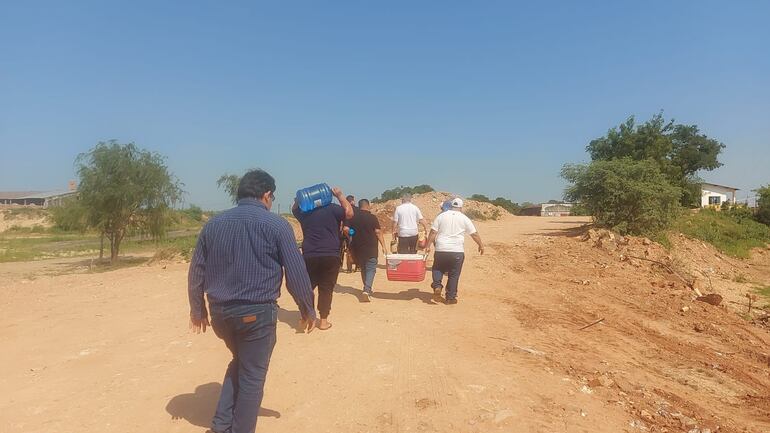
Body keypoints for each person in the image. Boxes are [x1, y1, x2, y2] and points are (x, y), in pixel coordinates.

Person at [187, 169, 316, 433]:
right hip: (256, 315)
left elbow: (196, 269)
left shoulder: (213, 224)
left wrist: (197, 310)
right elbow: (296, 272)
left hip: (221, 315)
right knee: (253, 378)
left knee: (241, 363)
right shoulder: (276, 225)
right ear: (267, 195)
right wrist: (307, 308)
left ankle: (221, 425)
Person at [292, 186, 354, 330]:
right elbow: (349, 213)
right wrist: (340, 195)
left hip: (309, 254)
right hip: (330, 254)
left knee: (307, 287)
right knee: (326, 288)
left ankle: (305, 315)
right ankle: (324, 321)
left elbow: (294, 208)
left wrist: (298, 199)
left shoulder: (304, 211)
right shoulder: (333, 208)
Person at [424, 198, 484, 305]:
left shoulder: (441, 216)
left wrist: (428, 245)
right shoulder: (464, 218)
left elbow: (433, 232)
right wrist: (480, 245)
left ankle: (437, 285)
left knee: (437, 268)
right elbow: (474, 234)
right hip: (457, 251)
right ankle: (450, 298)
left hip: (441, 249)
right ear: (461, 207)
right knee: (454, 274)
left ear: (451, 205)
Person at [347, 198, 388, 301]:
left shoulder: (353, 218)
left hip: (358, 247)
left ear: (360, 206)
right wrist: (383, 246)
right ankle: (367, 289)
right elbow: (378, 232)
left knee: (364, 268)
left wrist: (351, 236)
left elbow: (345, 229)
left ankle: (366, 287)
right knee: (371, 268)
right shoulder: (372, 217)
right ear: (367, 206)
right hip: (371, 247)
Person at [341, 195, 359, 273]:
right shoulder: (358, 210)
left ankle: (349, 268)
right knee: (358, 250)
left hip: (348, 233)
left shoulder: (344, 210)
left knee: (349, 250)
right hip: (358, 233)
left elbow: (343, 226)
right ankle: (358, 266)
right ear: (353, 201)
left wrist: (348, 235)